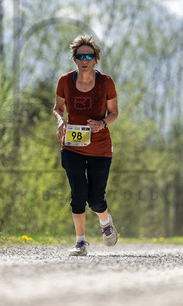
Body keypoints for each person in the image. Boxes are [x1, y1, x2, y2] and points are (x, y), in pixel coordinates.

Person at [53, 34, 119, 256]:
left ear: (96, 59)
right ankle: (80, 242)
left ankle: (105, 221)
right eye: (80, 56)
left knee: (96, 200)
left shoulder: (106, 82)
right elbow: (57, 108)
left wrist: (102, 123)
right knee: (78, 194)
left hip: (100, 148)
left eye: (89, 56)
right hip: (72, 146)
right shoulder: (64, 81)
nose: (84, 60)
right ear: (74, 58)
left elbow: (114, 113)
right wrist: (60, 121)